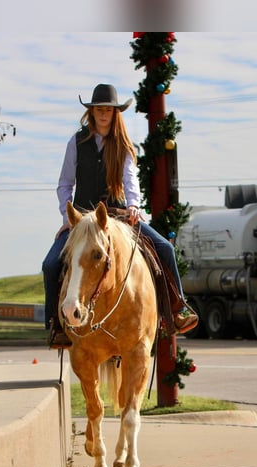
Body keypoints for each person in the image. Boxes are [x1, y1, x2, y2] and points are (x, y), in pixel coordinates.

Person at [42, 83, 198, 348]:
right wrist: (67, 217)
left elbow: (130, 179)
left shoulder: (123, 145)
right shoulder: (76, 143)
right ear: (91, 112)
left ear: (116, 114)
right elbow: (65, 184)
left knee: (164, 249)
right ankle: (56, 326)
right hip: (82, 222)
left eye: (108, 110)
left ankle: (176, 310)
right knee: (50, 265)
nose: (103, 114)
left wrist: (135, 205)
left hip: (120, 215)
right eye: (99, 109)